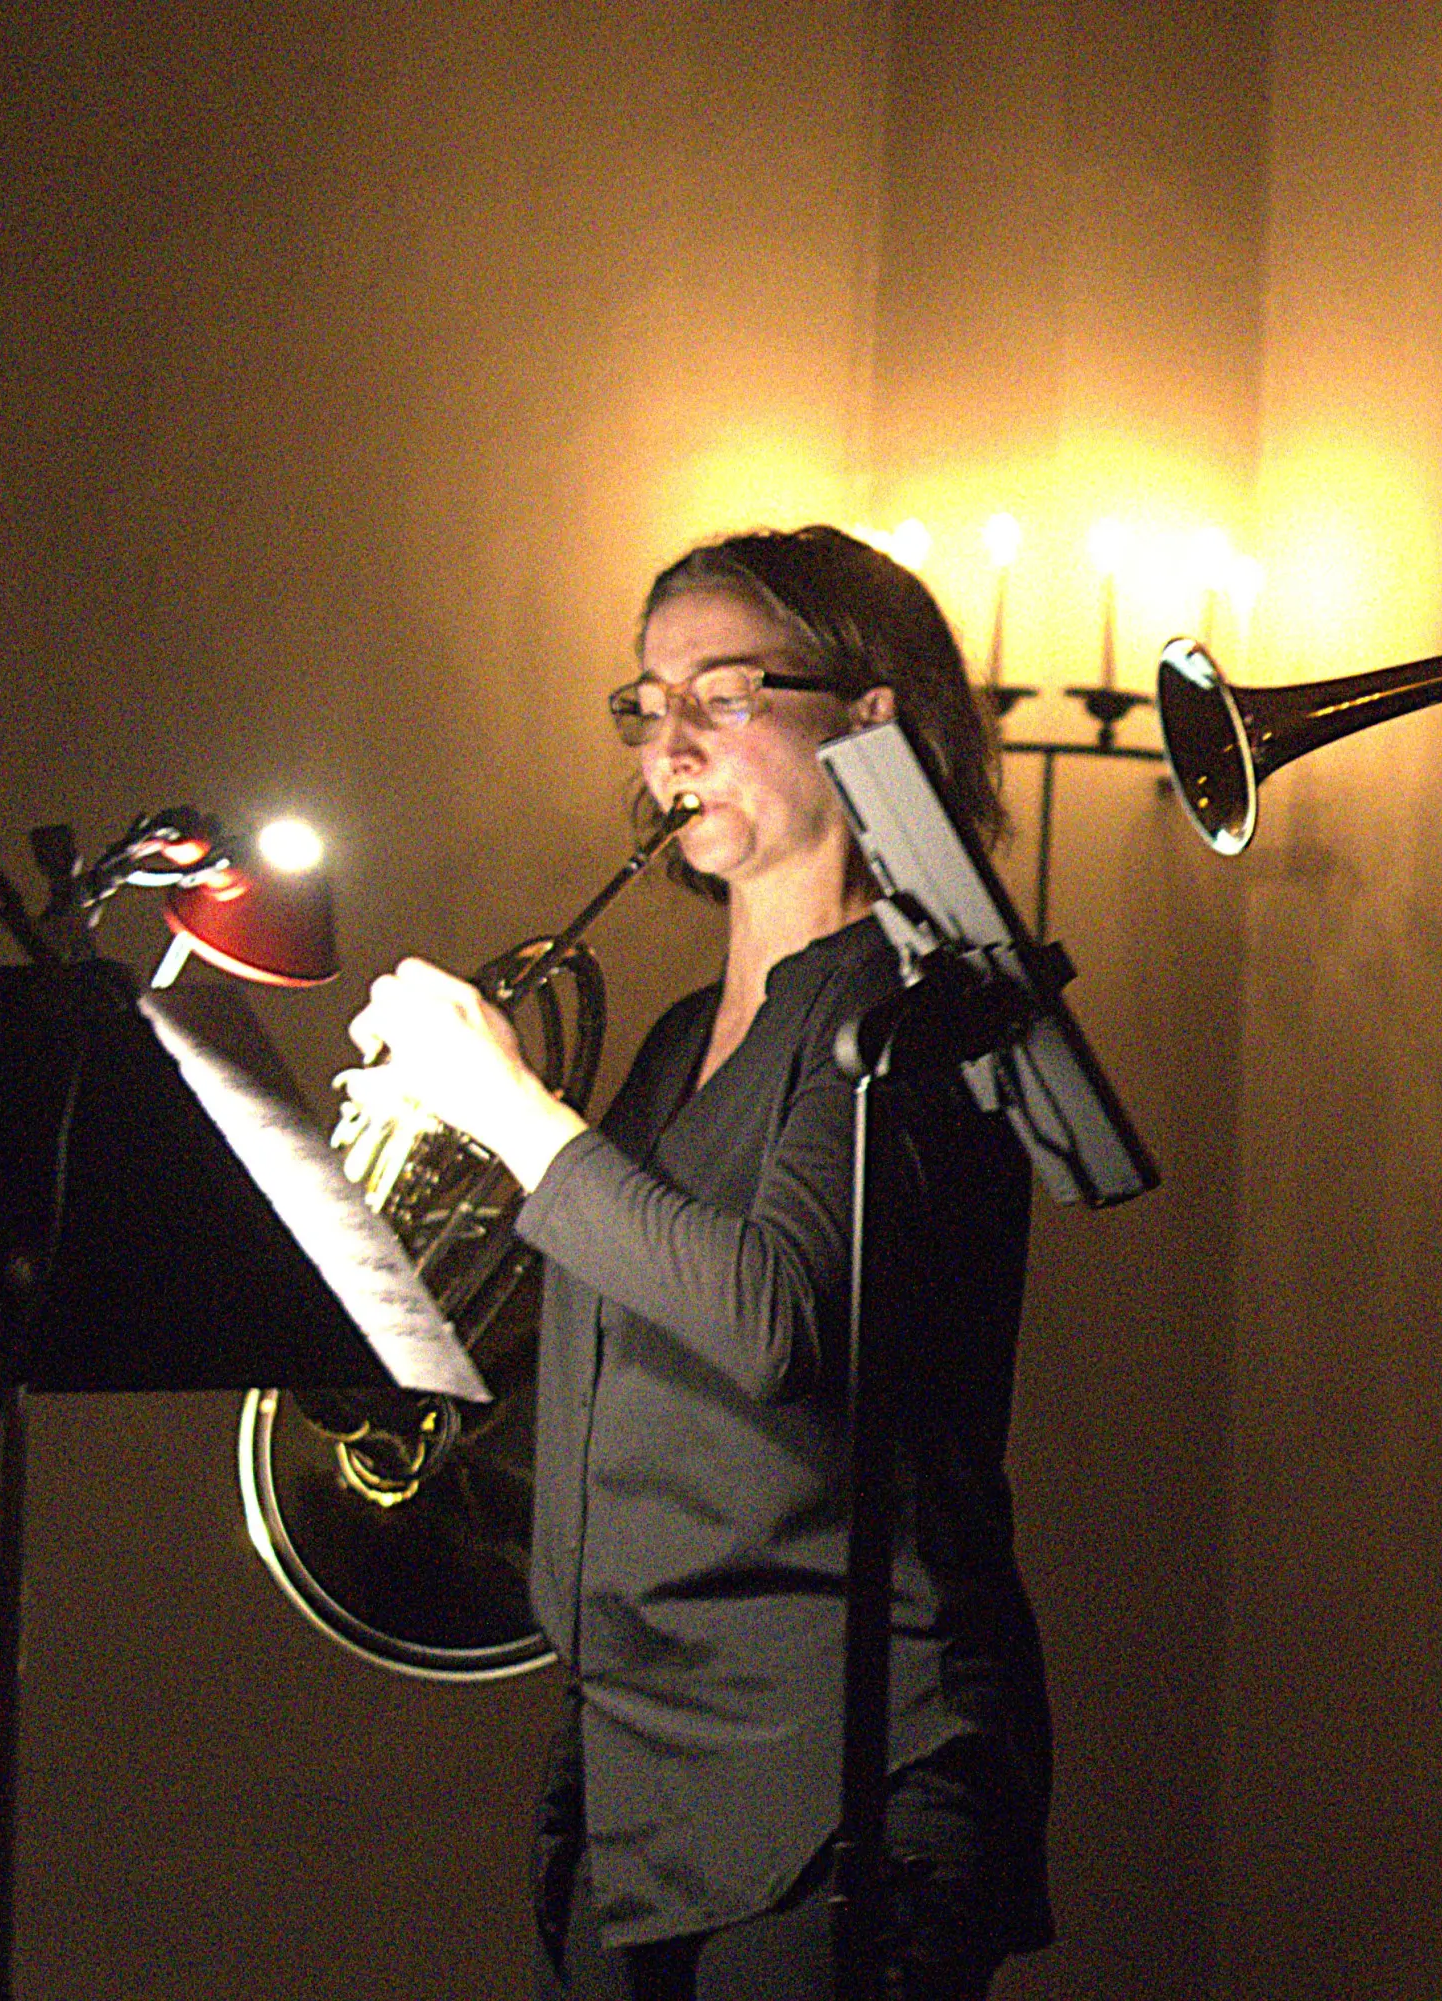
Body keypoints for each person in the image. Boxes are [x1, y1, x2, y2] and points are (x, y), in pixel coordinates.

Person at [347, 527, 1053, 2000]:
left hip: (843, 1776)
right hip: (637, 1766)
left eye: (726, 695)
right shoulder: (676, 1044)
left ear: (870, 718)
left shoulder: (908, 1015)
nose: (669, 744)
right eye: (649, 702)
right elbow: (625, 1356)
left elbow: (779, 1319)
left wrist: (514, 1113)